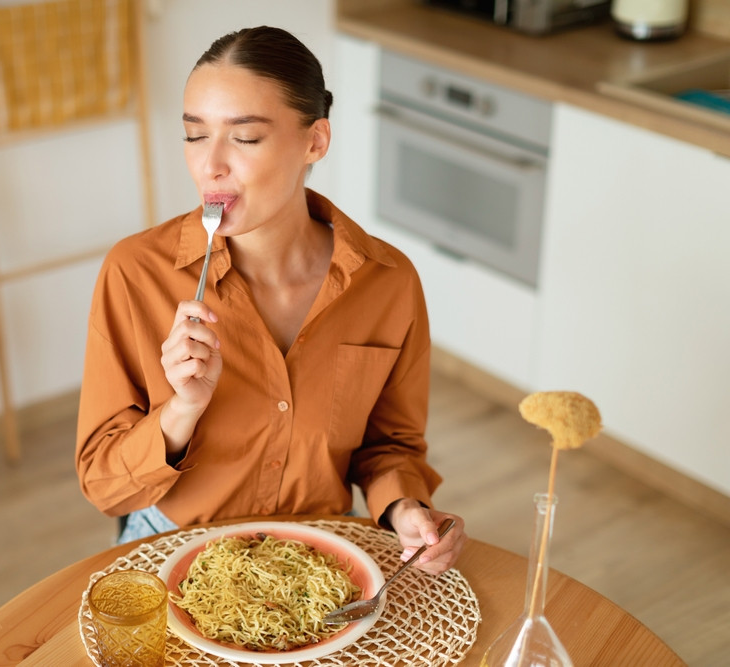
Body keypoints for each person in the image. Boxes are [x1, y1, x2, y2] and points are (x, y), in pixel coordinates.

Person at [76, 26, 465, 573]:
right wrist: (180, 411)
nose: (210, 165)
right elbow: (104, 486)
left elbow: (390, 445)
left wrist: (404, 507)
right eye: (194, 135)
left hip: (321, 556)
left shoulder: (389, 281)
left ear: (315, 141)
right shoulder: (136, 273)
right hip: (175, 548)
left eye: (245, 138)